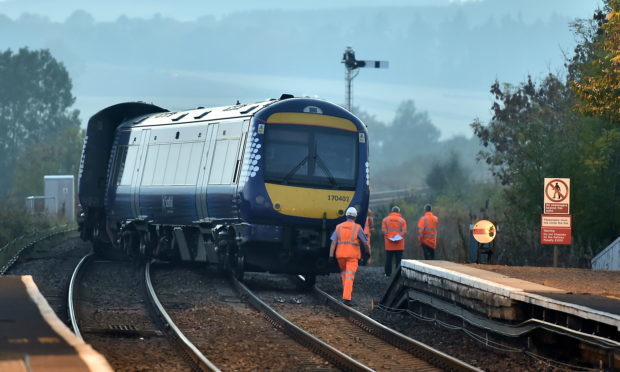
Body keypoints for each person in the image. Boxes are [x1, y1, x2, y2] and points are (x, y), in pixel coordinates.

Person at [329, 207, 371, 306]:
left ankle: (345, 294)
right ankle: (347, 298)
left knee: (344, 275)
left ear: (346, 216)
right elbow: (365, 243)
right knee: (349, 276)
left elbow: (333, 243)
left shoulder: (339, 227)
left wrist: (331, 256)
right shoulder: (357, 227)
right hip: (352, 256)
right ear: (355, 217)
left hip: (340, 256)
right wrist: (367, 253)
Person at [382, 206, 407, 277]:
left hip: (389, 244)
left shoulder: (385, 220)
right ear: (398, 212)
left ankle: (387, 274)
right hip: (399, 244)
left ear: (392, 211)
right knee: (398, 260)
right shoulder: (402, 220)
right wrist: (398, 237)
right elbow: (404, 231)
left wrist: (390, 237)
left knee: (388, 259)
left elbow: (384, 231)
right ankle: (397, 275)